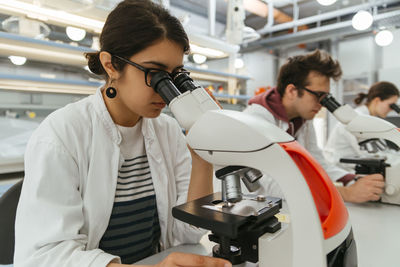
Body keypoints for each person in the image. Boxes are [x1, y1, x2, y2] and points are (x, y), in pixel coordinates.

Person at [14, 1, 230, 267]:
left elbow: (186, 232)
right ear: (111, 65)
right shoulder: (61, 134)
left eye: (174, 76)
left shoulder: (168, 131)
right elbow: (45, 255)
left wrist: (202, 156)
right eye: (154, 74)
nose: (166, 90)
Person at [244, 50, 385, 203]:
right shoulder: (256, 119)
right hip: (249, 207)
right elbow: (266, 184)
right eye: (318, 96)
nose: (322, 105)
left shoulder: (303, 121)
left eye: (326, 98)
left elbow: (316, 163)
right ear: (292, 90)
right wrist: (344, 193)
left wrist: (352, 179)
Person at [324, 81, 399, 170]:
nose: (391, 110)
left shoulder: (371, 120)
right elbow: (371, 155)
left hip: (354, 169)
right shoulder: (357, 119)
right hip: (341, 172)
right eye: (391, 105)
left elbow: (381, 151)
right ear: (377, 100)